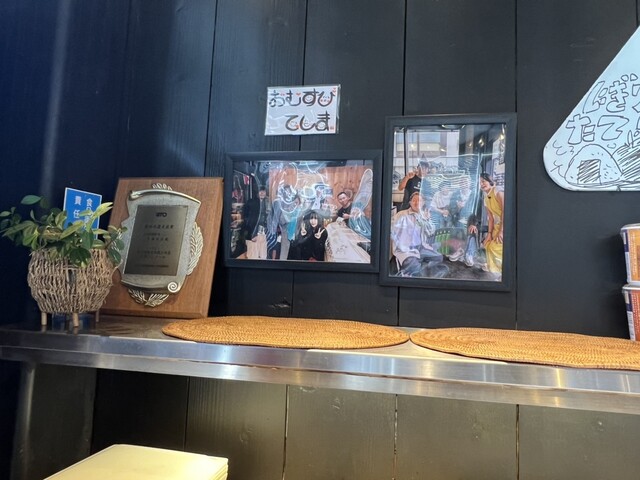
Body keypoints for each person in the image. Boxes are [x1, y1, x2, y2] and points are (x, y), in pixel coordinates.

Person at [390, 192, 447, 277]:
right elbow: (391, 229)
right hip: (406, 249)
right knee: (413, 264)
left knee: (438, 257)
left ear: (423, 203)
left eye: (419, 201)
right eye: (414, 200)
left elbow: (431, 232)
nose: (417, 203)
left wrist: (427, 220)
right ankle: (412, 275)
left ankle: (423, 272)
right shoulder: (402, 214)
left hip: (421, 247)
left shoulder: (423, 215)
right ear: (410, 203)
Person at [479, 173, 504, 275]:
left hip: (506, 225)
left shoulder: (497, 191)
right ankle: (494, 268)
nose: (481, 184)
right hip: (498, 225)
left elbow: (505, 212)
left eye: (483, 181)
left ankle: (501, 270)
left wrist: (501, 232)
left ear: (489, 181)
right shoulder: (486, 198)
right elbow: (490, 218)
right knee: (487, 243)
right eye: (480, 182)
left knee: (495, 247)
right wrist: (489, 234)